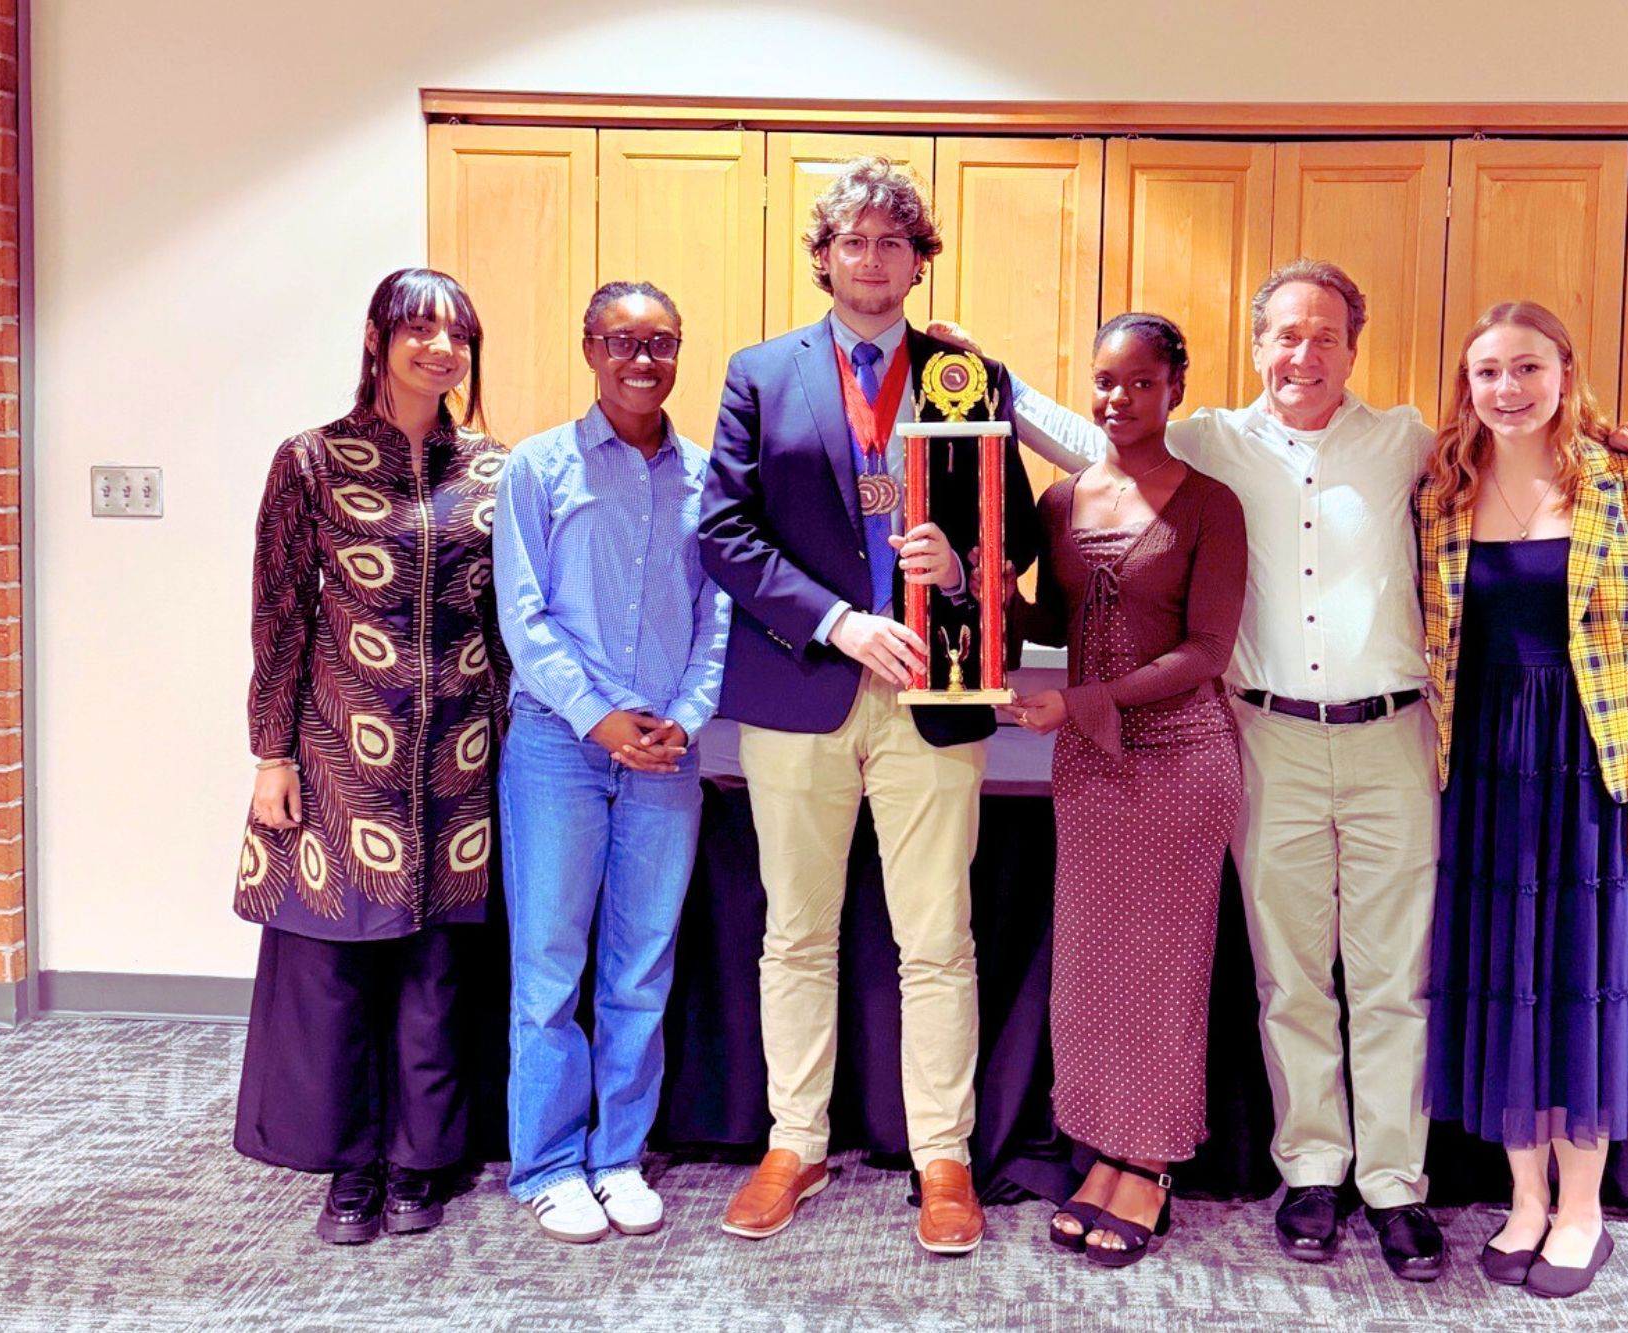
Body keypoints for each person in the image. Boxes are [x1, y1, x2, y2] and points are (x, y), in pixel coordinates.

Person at [948, 257, 1628, 1282]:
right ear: (1256, 347)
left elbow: (1518, 432)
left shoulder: (1407, 440)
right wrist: (987, 379)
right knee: (1288, 975)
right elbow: (1087, 430)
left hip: (1393, 737)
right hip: (1266, 737)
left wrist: (1620, 439)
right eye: (1286, 334)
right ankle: (1313, 1172)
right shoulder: (1208, 443)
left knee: (1391, 979)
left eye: (1325, 334)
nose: (1303, 353)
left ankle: (1394, 1184)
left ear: (1352, 348)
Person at [697, 156, 1041, 1255]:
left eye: (894, 242)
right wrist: (839, 622)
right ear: (824, 256)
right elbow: (724, 532)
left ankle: (943, 1155)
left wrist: (965, 562)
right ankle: (793, 1141)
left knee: (937, 937)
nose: (873, 260)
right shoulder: (761, 373)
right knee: (794, 932)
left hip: (934, 692)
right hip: (803, 687)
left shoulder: (968, 374)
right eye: (853, 241)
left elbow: (1019, 528)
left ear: (918, 258)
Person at [1416, 300, 1628, 1298]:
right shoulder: (1439, 488)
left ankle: (1582, 1210)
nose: (1507, 388)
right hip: (1482, 769)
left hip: (1590, 764)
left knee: (1580, 975)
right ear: (1467, 385)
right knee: (1502, 975)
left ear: (1565, 372)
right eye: (1487, 371)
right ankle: (1523, 1198)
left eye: (1527, 367)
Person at [233, 268, 507, 1244]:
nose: (441, 349)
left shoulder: (495, 469)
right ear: (376, 337)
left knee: (438, 970)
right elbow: (279, 616)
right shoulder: (310, 462)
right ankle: (351, 1164)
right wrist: (271, 755)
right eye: (420, 329)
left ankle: (421, 1161)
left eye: (457, 335)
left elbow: (509, 619)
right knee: (341, 967)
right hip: (341, 749)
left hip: (460, 758)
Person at [998, 314, 1245, 1269]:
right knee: (1094, 966)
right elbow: (1049, 624)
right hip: (1090, 762)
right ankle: (1104, 1146)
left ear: (1175, 388)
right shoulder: (1062, 501)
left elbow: (1207, 651)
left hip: (1182, 757)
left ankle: (1152, 1159)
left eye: (1142, 382)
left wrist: (1082, 700)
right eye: (1106, 381)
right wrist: (989, 592)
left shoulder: (1211, 504)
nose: (1119, 398)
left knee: (1165, 968)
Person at [493, 281, 732, 1244]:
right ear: (590, 349)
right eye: (624, 341)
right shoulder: (537, 466)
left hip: (667, 755)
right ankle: (548, 1164)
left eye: (662, 342)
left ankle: (618, 1155)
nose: (644, 359)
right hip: (558, 746)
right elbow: (522, 613)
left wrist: (686, 715)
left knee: (641, 967)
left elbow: (718, 613)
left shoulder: (708, 475)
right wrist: (598, 719)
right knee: (550, 968)